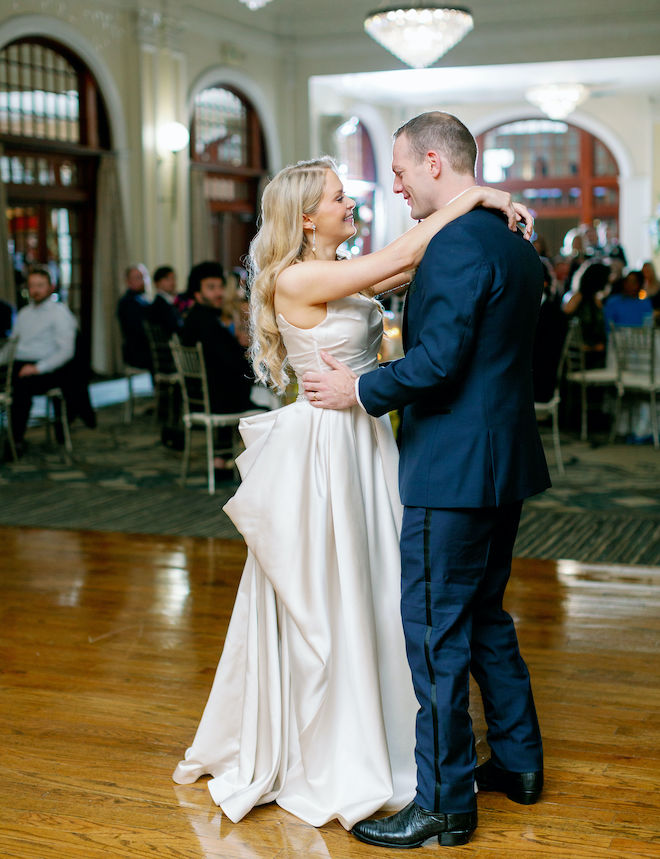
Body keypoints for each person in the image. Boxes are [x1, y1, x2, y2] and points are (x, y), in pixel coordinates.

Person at [172, 153, 534, 832]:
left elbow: (404, 265)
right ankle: (334, 739)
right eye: (340, 197)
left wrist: (467, 216)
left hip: (365, 438)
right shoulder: (299, 275)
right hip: (325, 448)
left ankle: (390, 731)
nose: (352, 203)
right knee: (331, 587)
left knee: (376, 582)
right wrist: (477, 194)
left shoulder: (340, 267)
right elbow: (402, 252)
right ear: (306, 217)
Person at [302, 112, 549, 848]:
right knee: (485, 617)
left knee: (436, 635)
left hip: (452, 471)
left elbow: (439, 360)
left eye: (403, 174)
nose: (398, 188)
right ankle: (520, 761)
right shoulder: (516, 242)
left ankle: (444, 802)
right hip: (505, 460)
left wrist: (362, 391)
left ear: (434, 162)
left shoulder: (451, 244)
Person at [2, 266, 78, 453]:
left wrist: (38, 368)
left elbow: (66, 351)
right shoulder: (24, 314)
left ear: (51, 287)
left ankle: (15, 440)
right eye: (32, 286)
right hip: (18, 364)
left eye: (40, 285)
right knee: (14, 379)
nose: (35, 290)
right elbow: (13, 346)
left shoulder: (59, 313)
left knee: (21, 385)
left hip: (48, 369)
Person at [117, 264, 151, 370]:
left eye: (143, 277)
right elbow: (137, 330)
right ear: (128, 281)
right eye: (137, 278)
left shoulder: (142, 299)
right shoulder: (127, 303)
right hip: (137, 351)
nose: (142, 281)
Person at [147, 265, 183, 335]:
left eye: (173, 278)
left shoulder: (170, 301)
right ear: (157, 283)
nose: (172, 282)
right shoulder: (159, 305)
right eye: (167, 279)